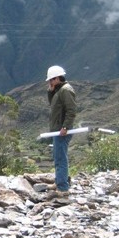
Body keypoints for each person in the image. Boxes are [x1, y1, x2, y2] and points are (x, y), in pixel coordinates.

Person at [46, 65, 77, 193]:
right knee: (58, 157)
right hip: (58, 130)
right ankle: (59, 181)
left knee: (61, 159)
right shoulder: (59, 90)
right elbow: (53, 105)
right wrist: (50, 91)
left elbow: (71, 110)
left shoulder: (65, 90)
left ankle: (63, 188)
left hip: (62, 131)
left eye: (51, 80)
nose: (49, 82)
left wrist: (65, 127)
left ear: (57, 78)